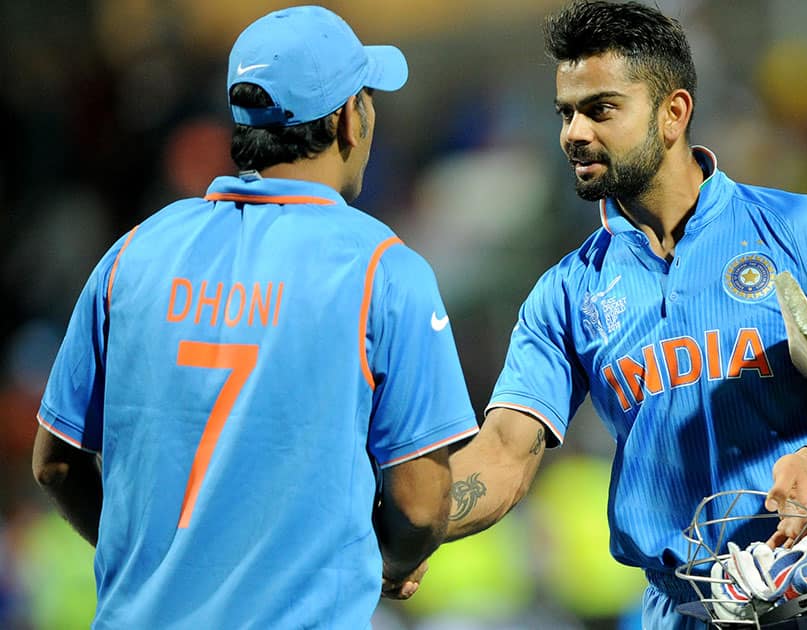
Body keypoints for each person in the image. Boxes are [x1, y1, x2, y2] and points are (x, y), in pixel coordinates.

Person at [437, 2, 807, 629]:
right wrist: (404, 524)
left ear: (673, 112)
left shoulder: (803, 229)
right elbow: (504, 456)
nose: (573, 132)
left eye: (600, 109)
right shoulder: (564, 295)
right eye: (565, 112)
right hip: (684, 609)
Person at [31, 6, 478, 628]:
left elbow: (55, 463)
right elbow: (422, 505)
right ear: (350, 119)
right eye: (367, 97)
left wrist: (157, 569)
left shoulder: (132, 253)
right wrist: (390, 562)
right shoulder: (383, 269)